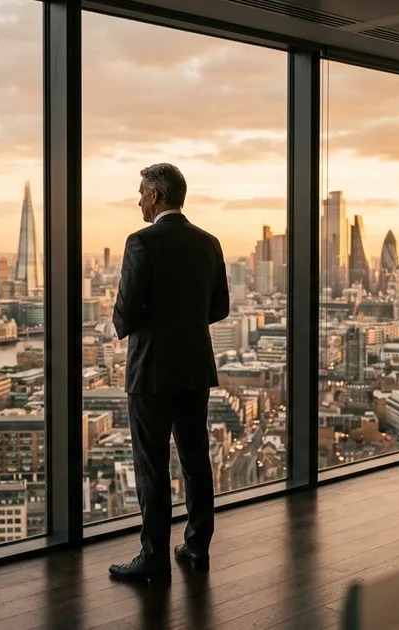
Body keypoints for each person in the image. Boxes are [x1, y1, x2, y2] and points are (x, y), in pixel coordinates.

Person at [109, 163, 229, 582]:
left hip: (151, 370)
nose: (139, 200)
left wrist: (140, 323)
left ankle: (154, 557)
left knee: (151, 466)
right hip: (195, 366)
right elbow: (220, 309)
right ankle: (197, 546)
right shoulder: (208, 243)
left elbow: (123, 315)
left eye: (142, 193)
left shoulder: (141, 242)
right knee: (196, 459)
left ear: (156, 196)